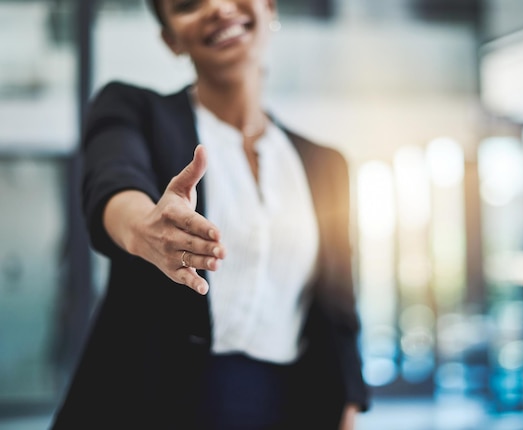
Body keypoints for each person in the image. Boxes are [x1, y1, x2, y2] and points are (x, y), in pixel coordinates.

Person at [50, 0, 370, 429]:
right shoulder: (133, 110)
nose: (218, 7)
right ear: (171, 39)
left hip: (290, 406)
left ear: (269, 6)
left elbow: (337, 312)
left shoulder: (328, 166)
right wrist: (143, 228)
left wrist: (346, 412)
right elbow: (113, 181)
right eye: (187, 4)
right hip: (153, 403)